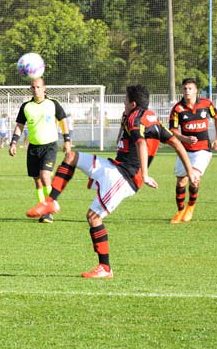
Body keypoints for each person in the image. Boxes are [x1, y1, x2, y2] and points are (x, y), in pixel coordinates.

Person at [25, 84, 195, 278]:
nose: (123, 103)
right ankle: (51, 201)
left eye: (125, 100)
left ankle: (105, 268)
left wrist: (145, 174)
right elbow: (175, 142)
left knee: (93, 217)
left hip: (125, 177)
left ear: (133, 103)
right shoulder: (151, 118)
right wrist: (190, 171)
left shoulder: (135, 117)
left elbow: (140, 143)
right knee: (71, 157)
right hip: (115, 167)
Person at [8, 77, 72, 224]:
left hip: (49, 146)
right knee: (37, 181)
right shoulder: (26, 106)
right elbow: (19, 125)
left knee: (45, 176)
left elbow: (63, 121)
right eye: (33, 87)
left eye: (38, 87)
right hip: (33, 148)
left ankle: (50, 207)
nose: (35, 90)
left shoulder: (53, 104)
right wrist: (13, 143)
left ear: (44, 88)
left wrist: (67, 140)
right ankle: (45, 212)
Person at [168, 77, 217, 224]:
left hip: (202, 150)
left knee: (194, 179)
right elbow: (172, 130)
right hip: (185, 150)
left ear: (196, 90)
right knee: (180, 182)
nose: (187, 91)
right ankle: (180, 211)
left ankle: (190, 207)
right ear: (182, 91)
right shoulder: (177, 109)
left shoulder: (206, 104)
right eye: (185, 88)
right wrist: (184, 138)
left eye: (190, 88)